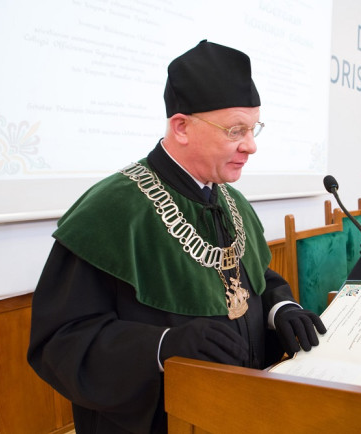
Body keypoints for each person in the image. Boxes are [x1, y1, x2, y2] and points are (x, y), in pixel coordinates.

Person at [27, 41, 326, 434]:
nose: (250, 145)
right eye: (235, 130)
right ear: (181, 126)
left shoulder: (230, 200)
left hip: (238, 410)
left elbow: (252, 280)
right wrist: (163, 347)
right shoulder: (111, 211)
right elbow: (60, 343)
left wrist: (280, 308)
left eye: (253, 129)